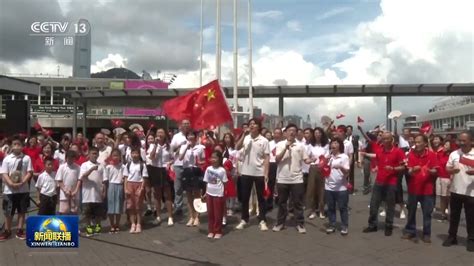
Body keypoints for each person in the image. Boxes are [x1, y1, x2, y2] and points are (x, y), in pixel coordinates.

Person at [362, 132, 406, 236]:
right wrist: (375, 165)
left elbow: (404, 166)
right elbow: (376, 157)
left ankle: (388, 226)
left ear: (392, 140)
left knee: (390, 205)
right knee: (374, 204)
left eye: (387, 139)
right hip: (379, 181)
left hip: (391, 182)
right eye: (383, 139)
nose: (385, 141)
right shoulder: (380, 150)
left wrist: (393, 169)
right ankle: (372, 225)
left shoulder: (398, 151)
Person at [272, 124, 311, 234]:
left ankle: (300, 223)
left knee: (298, 203)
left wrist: (311, 160)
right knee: (282, 202)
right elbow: (277, 159)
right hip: (282, 178)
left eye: (294, 131)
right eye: (290, 130)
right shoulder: (280, 144)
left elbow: (306, 159)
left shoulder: (300, 146)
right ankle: (280, 223)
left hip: (297, 179)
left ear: (297, 133)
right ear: (286, 132)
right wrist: (286, 148)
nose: (292, 133)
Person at [234, 118, 270, 231]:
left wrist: (266, 173)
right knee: (245, 197)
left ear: (259, 126)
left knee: (261, 198)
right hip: (246, 172)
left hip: (259, 173)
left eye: (254, 124)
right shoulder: (246, 138)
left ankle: (262, 220)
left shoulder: (264, 140)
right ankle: (244, 219)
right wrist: (243, 135)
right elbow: (237, 147)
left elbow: (266, 158)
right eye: (250, 124)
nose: (252, 126)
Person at [402, 135, 439, 243]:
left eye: (419, 142)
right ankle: (410, 230)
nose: (416, 144)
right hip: (413, 188)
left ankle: (427, 233)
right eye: (415, 142)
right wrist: (413, 170)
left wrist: (429, 170)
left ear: (425, 143)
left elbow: (436, 171)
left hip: (427, 189)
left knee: (427, 212)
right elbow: (408, 170)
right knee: (411, 211)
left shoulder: (432, 155)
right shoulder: (411, 154)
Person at [443, 131, 474, 252]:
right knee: (454, 216)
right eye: (459, 140)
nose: (461, 143)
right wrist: (451, 171)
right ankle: (452, 236)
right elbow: (447, 168)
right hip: (456, 189)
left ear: (471, 141)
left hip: (471, 191)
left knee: (471, 217)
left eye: (464, 140)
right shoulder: (454, 154)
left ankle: (471, 239)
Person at [0, 136, 34, 241]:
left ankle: (20, 230)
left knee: (22, 211)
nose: (16, 146)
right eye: (14, 144)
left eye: (19, 144)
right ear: (11, 146)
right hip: (9, 190)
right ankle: (7, 231)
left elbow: (30, 172)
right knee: (8, 211)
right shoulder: (7, 159)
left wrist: (23, 182)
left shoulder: (27, 158)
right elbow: (4, 173)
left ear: (22, 146)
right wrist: (10, 183)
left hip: (23, 189)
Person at [147, 128, 174, 226]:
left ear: (165, 135)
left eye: (161, 132)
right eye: (158, 133)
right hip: (155, 169)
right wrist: (155, 145)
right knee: (157, 194)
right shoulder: (152, 145)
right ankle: (158, 216)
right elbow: (151, 157)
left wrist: (169, 163)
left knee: (167, 194)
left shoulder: (168, 146)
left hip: (165, 170)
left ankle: (170, 216)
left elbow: (172, 158)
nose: (160, 134)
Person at [325, 139, 351, 235]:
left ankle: (344, 226)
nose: (333, 145)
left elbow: (347, 172)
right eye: (332, 143)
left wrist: (340, 167)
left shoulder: (344, 157)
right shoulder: (328, 157)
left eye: (336, 143)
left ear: (340, 145)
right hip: (328, 186)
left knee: (342, 207)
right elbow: (322, 169)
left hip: (341, 188)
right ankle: (332, 225)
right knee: (330, 208)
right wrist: (324, 161)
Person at [179, 131, 205, 227]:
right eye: (189, 135)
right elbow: (180, 158)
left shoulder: (200, 148)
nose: (190, 137)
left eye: (192, 135)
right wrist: (186, 147)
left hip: (196, 170)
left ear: (195, 137)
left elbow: (203, 160)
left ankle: (197, 216)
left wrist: (200, 162)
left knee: (197, 195)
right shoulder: (183, 147)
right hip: (186, 170)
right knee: (189, 195)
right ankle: (191, 216)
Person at [79, 147, 106, 237]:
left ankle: (97, 228)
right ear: (89, 154)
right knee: (87, 213)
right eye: (93, 153)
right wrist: (91, 170)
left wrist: (104, 191)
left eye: (96, 153)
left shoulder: (101, 165)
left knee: (98, 214)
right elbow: (82, 177)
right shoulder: (84, 165)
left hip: (98, 193)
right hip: (87, 194)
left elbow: (104, 180)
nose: (94, 155)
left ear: (98, 155)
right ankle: (89, 229)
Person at [203, 151, 228, 239]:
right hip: (209, 193)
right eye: (212, 157)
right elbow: (206, 182)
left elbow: (225, 183)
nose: (213, 159)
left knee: (218, 214)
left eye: (215, 158)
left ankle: (218, 231)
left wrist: (223, 193)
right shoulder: (208, 169)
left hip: (218, 194)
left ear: (219, 159)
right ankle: (211, 230)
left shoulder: (222, 170)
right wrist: (205, 193)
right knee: (210, 213)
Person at [306, 127, 330, 219]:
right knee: (312, 189)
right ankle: (313, 210)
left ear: (322, 134)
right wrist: (311, 159)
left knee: (322, 189)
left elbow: (328, 157)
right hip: (313, 168)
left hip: (323, 169)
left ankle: (321, 210)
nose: (317, 134)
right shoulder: (310, 145)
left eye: (319, 133)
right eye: (316, 133)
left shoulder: (326, 145)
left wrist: (324, 161)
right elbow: (307, 158)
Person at [124, 148, 148, 234]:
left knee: (138, 206)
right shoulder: (128, 164)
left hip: (139, 184)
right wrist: (125, 188)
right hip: (130, 184)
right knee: (130, 206)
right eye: (133, 153)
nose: (134, 155)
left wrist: (141, 188)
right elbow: (126, 177)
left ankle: (138, 224)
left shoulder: (142, 165)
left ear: (139, 154)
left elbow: (144, 178)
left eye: (136, 153)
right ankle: (132, 224)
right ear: (130, 155)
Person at [170, 119, 191, 216]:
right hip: (178, 164)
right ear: (181, 125)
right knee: (178, 187)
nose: (186, 125)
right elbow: (172, 150)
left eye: (187, 124)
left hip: (189, 165)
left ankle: (193, 207)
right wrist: (180, 145)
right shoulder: (176, 136)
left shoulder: (192, 136)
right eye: (184, 124)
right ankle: (178, 207)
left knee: (190, 187)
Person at [105, 149, 125, 233]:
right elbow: (106, 179)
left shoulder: (123, 166)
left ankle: (117, 224)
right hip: (111, 186)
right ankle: (112, 224)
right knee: (111, 207)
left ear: (120, 156)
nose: (115, 157)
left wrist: (123, 180)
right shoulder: (109, 167)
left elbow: (125, 176)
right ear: (111, 156)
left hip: (119, 186)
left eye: (117, 155)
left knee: (118, 206)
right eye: (114, 155)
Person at [56, 150, 81, 215]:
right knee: (64, 212)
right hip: (64, 194)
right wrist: (65, 190)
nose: (70, 160)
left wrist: (75, 190)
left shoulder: (78, 167)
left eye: (72, 158)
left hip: (75, 193)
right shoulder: (62, 167)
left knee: (74, 211)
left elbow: (79, 180)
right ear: (66, 158)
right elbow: (59, 180)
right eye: (69, 158)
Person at [435, 139, 451, 221]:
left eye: (447, 145)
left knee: (448, 197)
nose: (444, 146)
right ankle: (443, 214)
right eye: (444, 145)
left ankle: (449, 212)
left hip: (448, 178)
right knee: (442, 197)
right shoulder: (440, 153)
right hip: (440, 177)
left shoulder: (452, 155)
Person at [268, 128, 283, 210]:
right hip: (271, 164)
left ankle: (280, 201)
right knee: (270, 184)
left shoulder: (283, 144)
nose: (277, 135)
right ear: (273, 134)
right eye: (275, 133)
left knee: (280, 184)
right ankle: (269, 202)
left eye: (278, 133)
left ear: (281, 135)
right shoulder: (269, 143)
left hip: (280, 164)